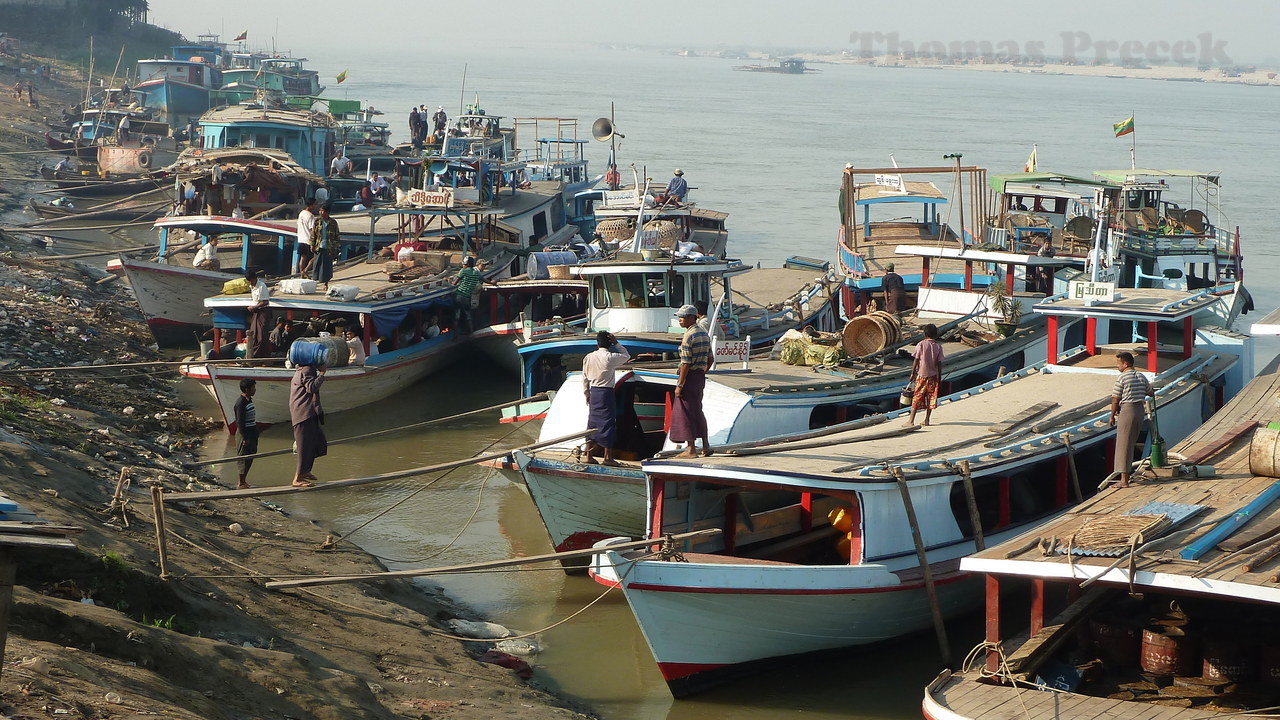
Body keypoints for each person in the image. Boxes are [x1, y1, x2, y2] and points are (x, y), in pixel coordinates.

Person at [670, 304, 713, 457]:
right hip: (699, 377)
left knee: (686, 411)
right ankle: (706, 446)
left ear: (691, 318)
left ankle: (691, 449)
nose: (680, 320)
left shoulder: (689, 336)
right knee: (697, 410)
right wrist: (701, 371)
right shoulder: (703, 333)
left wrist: (680, 385)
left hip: (689, 377)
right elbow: (710, 358)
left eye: (682, 317)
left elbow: (685, 364)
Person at [582, 331, 631, 466]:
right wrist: (616, 343)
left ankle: (588, 455)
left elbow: (585, 378)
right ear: (609, 343)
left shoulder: (588, 357)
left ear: (597, 343)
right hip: (606, 392)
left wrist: (587, 394)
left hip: (594, 392)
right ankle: (607, 457)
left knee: (592, 423)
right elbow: (626, 355)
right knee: (608, 423)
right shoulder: (610, 357)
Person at [1109, 351, 1153, 488]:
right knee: (1131, 442)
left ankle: (1124, 480)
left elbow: (1116, 399)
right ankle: (1126, 477)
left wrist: (1111, 416)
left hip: (1127, 410)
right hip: (1140, 410)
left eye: (1119, 363)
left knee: (1123, 445)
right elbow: (1150, 392)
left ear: (1125, 363)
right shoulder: (1141, 376)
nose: (1118, 366)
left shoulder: (1122, 378)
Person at [288, 362, 326, 487]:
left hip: (307, 412)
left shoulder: (301, 370)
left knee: (318, 441)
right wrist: (322, 374)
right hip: (303, 413)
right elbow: (311, 388)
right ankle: (297, 478)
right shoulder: (307, 370)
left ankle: (305, 471)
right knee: (304, 446)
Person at [905, 323, 944, 428]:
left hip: (922, 375)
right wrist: (940, 376)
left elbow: (916, 360)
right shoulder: (938, 346)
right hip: (934, 375)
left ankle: (911, 420)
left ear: (925, 334)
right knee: (931, 397)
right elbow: (939, 363)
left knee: (917, 396)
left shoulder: (921, 345)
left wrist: (912, 373)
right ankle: (927, 420)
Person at [233, 378, 258, 489]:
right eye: (253, 387)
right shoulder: (241, 402)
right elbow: (240, 421)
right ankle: (241, 482)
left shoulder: (249, 400)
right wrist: (244, 437)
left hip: (252, 431)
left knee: (250, 456)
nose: (254, 389)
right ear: (247, 389)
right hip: (245, 433)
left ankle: (244, 481)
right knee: (243, 458)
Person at [452, 257, 484, 333]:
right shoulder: (477, 273)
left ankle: (455, 336)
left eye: (464, 264)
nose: (463, 265)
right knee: (468, 316)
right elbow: (484, 279)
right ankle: (472, 332)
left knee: (456, 316)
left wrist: (449, 280)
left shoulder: (463, 271)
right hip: (467, 297)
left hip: (459, 295)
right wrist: (492, 282)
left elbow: (455, 283)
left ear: (467, 264)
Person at [245, 270, 272, 359]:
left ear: (254, 278)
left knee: (261, 337)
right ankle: (253, 356)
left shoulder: (261, 286)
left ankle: (261, 357)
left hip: (263, 312)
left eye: (251, 280)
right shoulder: (252, 286)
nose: (250, 283)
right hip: (256, 312)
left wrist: (254, 307)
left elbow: (265, 302)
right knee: (254, 336)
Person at [310, 204, 340, 286]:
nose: (320, 212)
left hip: (329, 247)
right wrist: (312, 245)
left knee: (327, 266)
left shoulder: (333, 223)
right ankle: (315, 281)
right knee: (317, 265)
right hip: (319, 246)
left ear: (327, 212)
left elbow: (337, 235)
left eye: (322, 211)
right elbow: (313, 234)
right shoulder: (317, 221)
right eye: (320, 210)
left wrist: (336, 246)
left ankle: (326, 283)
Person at [295, 198, 317, 276]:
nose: (316, 206)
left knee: (303, 258)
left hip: (301, 239)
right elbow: (312, 230)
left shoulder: (301, 213)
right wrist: (315, 240)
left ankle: (301, 272)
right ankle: (306, 270)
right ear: (310, 205)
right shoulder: (310, 216)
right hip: (308, 240)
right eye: (315, 204)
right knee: (316, 256)